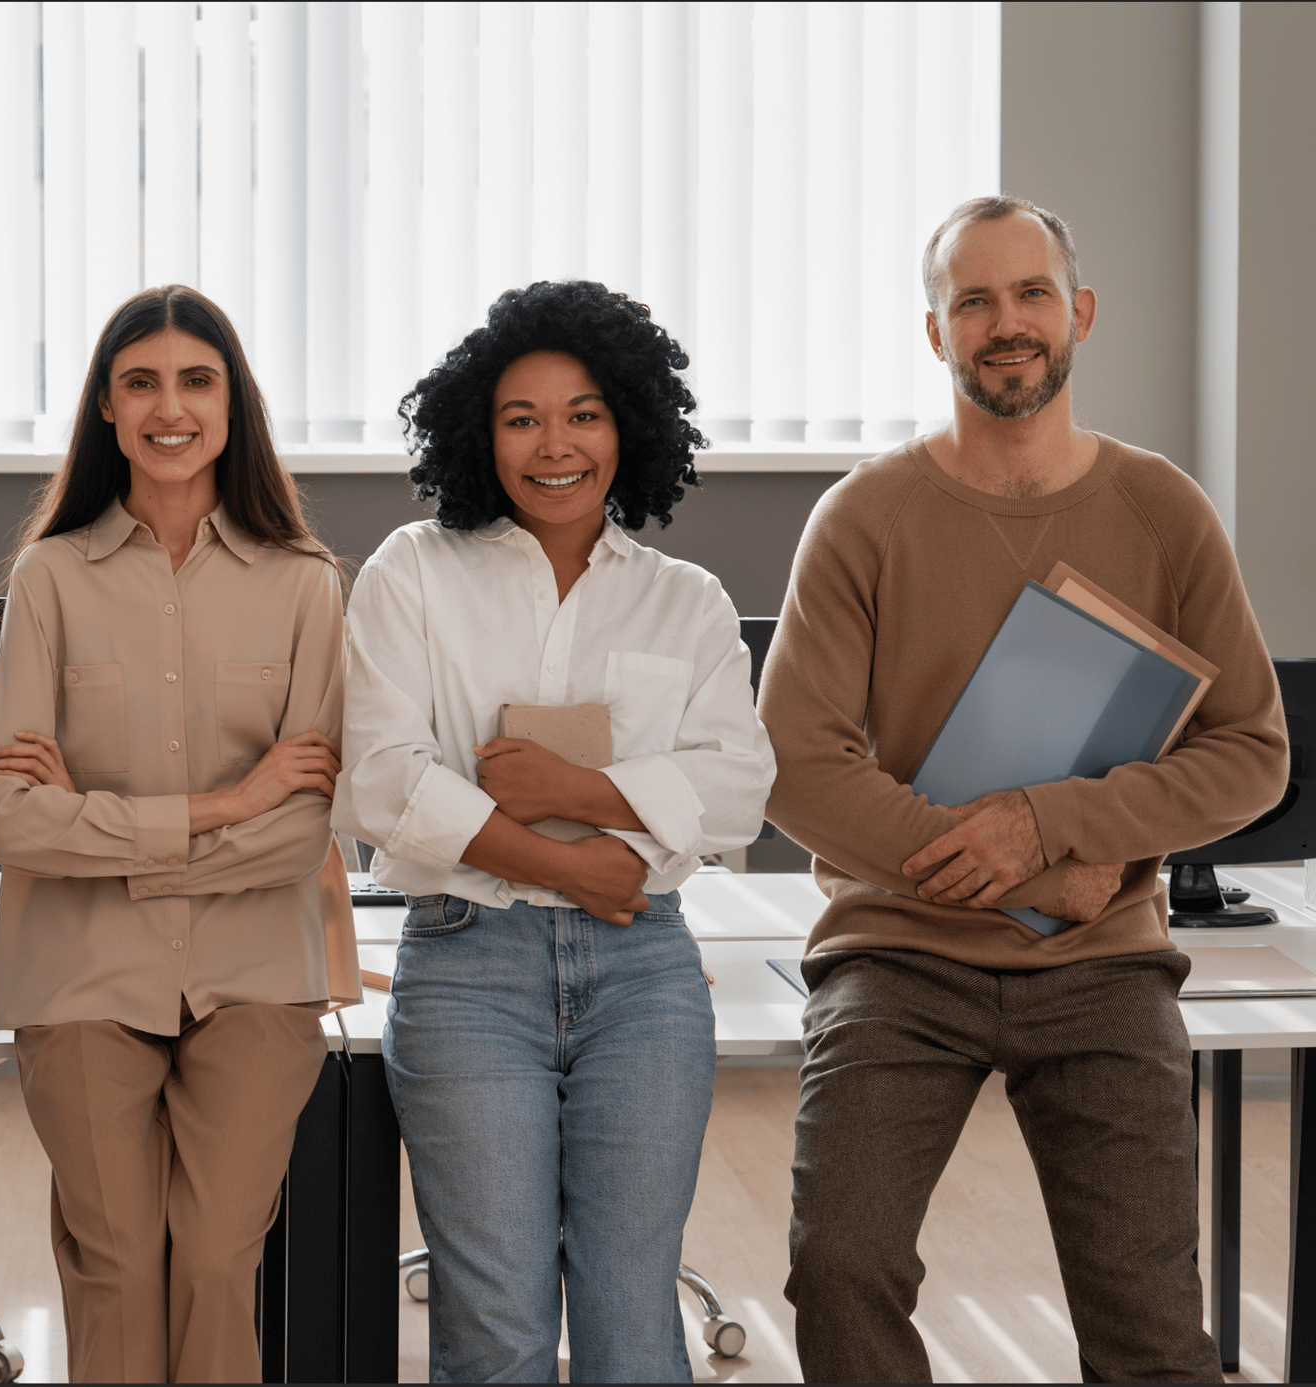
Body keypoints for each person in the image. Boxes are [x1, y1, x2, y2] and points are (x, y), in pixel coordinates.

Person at [761, 196, 1289, 1382]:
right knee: (839, 1267)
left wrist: (1051, 822)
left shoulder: (1164, 509)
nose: (1007, 324)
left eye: (1031, 294)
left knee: (1153, 1324)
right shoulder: (863, 516)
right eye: (974, 301)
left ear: (1080, 313)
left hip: (1099, 963)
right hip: (897, 955)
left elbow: (1253, 749)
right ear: (935, 334)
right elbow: (797, 764)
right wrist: (1005, 859)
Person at [335, 280, 775, 1382]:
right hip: (467, 968)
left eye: (583, 412)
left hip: (646, 981)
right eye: (520, 417)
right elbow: (385, 783)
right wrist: (581, 867)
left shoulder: (688, 599)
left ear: (630, 423)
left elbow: (739, 792)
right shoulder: (411, 571)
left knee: (635, 1332)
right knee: (498, 1333)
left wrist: (574, 784)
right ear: (479, 434)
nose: (554, 443)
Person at [0, 284, 350, 1384]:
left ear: (235, 405)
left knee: (216, 1263)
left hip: (256, 976)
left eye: (197, 380)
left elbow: (299, 839)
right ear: (105, 407)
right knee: (117, 1263)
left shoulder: (307, 586)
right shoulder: (49, 578)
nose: (169, 407)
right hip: (81, 978)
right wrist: (225, 805)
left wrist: (102, 829)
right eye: (140, 382)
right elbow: (13, 822)